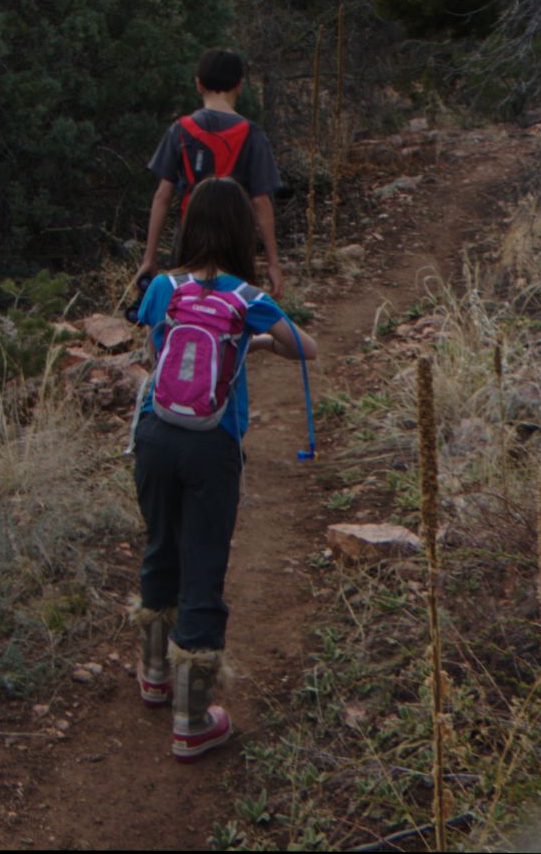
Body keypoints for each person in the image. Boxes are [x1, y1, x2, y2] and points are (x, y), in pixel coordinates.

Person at [131, 177, 318, 760]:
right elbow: (306, 348)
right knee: (205, 563)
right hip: (214, 445)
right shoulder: (246, 298)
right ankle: (192, 719)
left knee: (162, 542)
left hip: (156, 435)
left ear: (188, 228)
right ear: (242, 234)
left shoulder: (164, 285)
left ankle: (154, 672)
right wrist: (255, 343)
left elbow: (155, 348)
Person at [133, 48, 284, 301]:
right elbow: (261, 201)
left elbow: (162, 196)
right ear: (239, 85)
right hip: (236, 239)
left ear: (198, 84)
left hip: (189, 237)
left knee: (183, 306)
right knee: (234, 307)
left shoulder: (180, 130)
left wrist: (149, 258)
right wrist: (273, 263)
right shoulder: (252, 134)